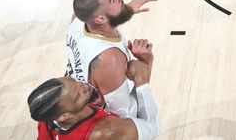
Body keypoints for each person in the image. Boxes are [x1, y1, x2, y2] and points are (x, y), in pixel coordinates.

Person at [29, 39, 161, 139]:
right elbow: (153, 129)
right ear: (64, 116)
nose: (85, 85)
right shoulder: (107, 131)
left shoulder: (48, 114)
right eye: (78, 95)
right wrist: (141, 80)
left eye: (76, 81)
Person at [66, 0, 156, 118]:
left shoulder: (78, 20)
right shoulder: (109, 58)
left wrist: (127, 9)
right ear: (101, 19)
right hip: (99, 125)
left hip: (77, 97)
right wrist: (146, 62)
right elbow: (126, 116)